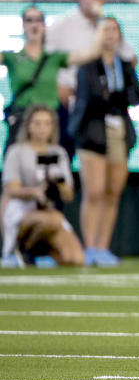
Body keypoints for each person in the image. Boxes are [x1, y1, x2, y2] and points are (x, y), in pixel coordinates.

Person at [69, 17, 139, 268]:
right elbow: (92, 97)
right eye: (106, 30)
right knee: (95, 191)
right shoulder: (88, 65)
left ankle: (103, 247)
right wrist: (114, 97)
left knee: (113, 192)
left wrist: (115, 96)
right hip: (93, 131)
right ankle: (89, 247)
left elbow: (135, 95)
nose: (110, 35)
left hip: (119, 130)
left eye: (114, 30)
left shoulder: (124, 64)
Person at [45, 0, 136, 157]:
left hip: (98, 107)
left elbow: (130, 59)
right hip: (68, 102)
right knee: (60, 156)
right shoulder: (62, 25)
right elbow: (45, 60)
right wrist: (55, 87)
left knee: (99, 160)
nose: (97, 1)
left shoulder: (107, 25)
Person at [1, 6, 104, 154]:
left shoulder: (54, 58)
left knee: (50, 168)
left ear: (44, 26)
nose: (34, 25)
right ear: (23, 25)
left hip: (49, 125)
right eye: (29, 20)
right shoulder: (13, 58)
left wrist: (102, 24)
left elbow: (91, 53)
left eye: (38, 20)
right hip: (22, 123)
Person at [1, 105, 83, 268]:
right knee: (52, 220)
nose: (42, 129)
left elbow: (68, 195)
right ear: (28, 126)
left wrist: (56, 180)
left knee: (75, 259)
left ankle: (39, 252)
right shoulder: (17, 151)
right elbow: (11, 189)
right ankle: (24, 250)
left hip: (49, 211)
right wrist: (34, 192)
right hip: (21, 210)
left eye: (46, 123)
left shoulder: (58, 152)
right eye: (37, 123)